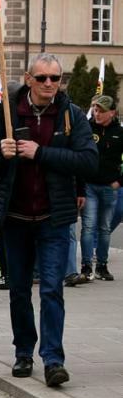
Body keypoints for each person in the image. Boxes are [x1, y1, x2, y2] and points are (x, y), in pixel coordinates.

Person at [0, 52, 98, 387]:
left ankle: (53, 360)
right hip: (14, 219)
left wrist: (40, 153)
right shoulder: (6, 115)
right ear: (28, 79)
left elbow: (90, 162)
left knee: (51, 290)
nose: (49, 84)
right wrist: (0, 156)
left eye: (55, 78)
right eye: (42, 78)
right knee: (19, 291)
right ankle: (23, 352)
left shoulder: (71, 115)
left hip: (54, 219)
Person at [79, 95, 122, 282]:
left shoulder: (119, 133)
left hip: (109, 187)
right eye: (96, 110)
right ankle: (86, 266)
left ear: (112, 112)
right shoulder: (87, 129)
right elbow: (79, 155)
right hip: (90, 185)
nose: (97, 114)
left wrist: (120, 182)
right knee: (88, 227)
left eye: (102, 111)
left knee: (104, 228)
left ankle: (102, 266)